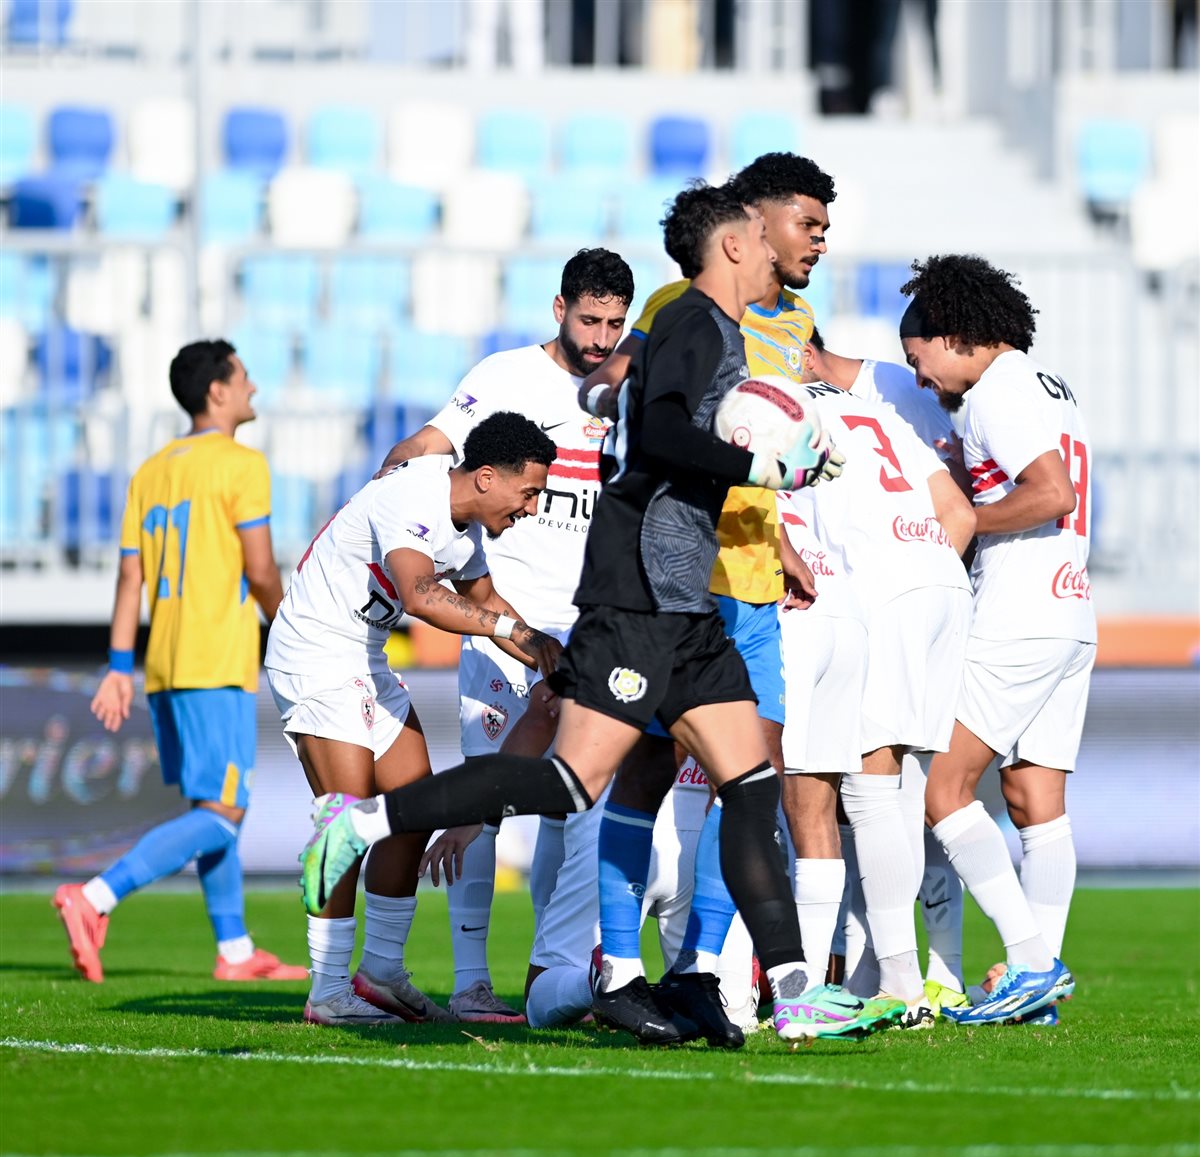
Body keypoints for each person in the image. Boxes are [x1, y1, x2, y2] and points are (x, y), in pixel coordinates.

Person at [298, 182, 901, 1049]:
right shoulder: (695, 323)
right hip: (639, 595)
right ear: (733, 244)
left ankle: (795, 990)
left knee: (750, 786)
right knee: (570, 782)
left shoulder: (705, 330)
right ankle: (364, 822)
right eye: (763, 235)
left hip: (688, 600)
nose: (779, 249)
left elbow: (623, 406)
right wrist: (761, 467)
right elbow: (660, 437)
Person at [576, 153, 836, 1036]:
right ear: (751, 227)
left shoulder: (797, 321)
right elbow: (630, 396)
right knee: (641, 771)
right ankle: (617, 965)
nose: (815, 242)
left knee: (751, 779)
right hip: (683, 576)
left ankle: (700, 971)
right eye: (804, 225)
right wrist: (609, 388)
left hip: (754, 576)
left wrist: (784, 534)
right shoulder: (677, 307)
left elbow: (773, 426)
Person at [376, 248, 634, 1022]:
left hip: (588, 629)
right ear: (559, 309)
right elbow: (428, 447)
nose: (601, 337)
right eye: (589, 320)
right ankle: (470, 982)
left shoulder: (625, 388)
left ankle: (560, 965)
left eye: (615, 323)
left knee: (579, 800)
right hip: (502, 621)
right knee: (484, 795)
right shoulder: (505, 376)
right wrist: (387, 491)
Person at [265, 412, 560, 1024]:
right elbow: (421, 594)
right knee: (345, 821)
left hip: (363, 657)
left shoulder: (467, 534)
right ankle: (328, 991)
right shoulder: (415, 493)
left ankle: (380, 972)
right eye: (529, 492)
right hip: (315, 651)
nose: (532, 509)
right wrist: (512, 631)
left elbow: (485, 601)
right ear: (486, 477)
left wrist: (547, 654)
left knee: (412, 808)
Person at [55, 340, 306, 986]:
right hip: (214, 659)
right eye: (244, 376)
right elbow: (260, 569)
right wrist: (294, 629)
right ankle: (95, 897)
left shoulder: (150, 470)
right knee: (223, 812)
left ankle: (235, 950)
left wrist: (119, 665)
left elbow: (129, 577)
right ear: (217, 391)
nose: (253, 387)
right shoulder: (241, 465)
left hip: (164, 664)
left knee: (214, 809)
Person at [901, 253, 1090, 1026]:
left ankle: (1032, 960)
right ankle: (1037, 992)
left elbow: (1052, 493)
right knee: (1034, 799)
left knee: (940, 791)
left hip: (1019, 613)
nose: (922, 379)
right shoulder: (1050, 384)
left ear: (953, 334)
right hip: (1071, 609)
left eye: (920, 359)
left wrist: (966, 521)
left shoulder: (995, 394)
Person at [778, 359, 976, 1030]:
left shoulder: (777, 409)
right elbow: (958, 512)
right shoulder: (878, 411)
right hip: (944, 582)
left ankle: (901, 982)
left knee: (868, 791)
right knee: (896, 792)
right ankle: (887, 975)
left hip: (878, 591)